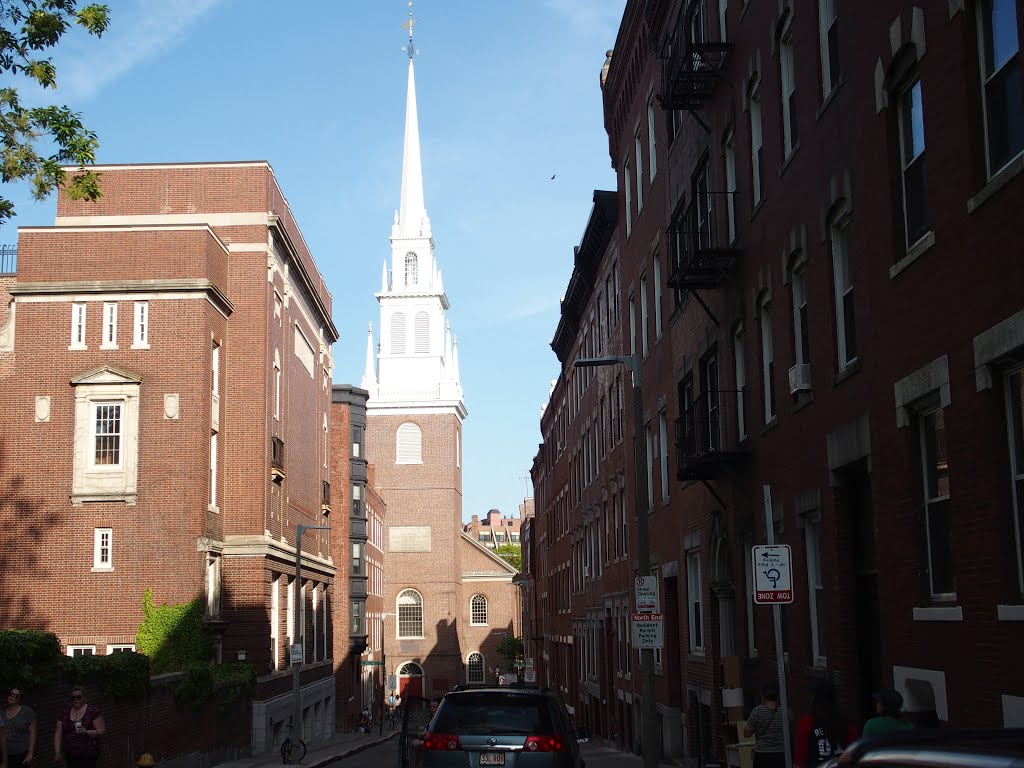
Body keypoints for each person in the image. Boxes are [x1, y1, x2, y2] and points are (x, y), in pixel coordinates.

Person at [794, 681, 858, 768]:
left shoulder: (806, 723)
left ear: (815, 699)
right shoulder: (847, 724)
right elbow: (854, 755)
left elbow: (799, 760)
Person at [54, 687, 105, 768]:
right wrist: (57, 752)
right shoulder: (64, 713)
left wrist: (86, 732)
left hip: (88, 753)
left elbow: (101, 731)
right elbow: (58, 733)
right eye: (73, 698)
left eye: (78, 697)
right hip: (70, 753)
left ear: (84, 697)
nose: (76, 700)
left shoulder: (92, 711)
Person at [744, 682, 787, 768]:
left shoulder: (757, 711)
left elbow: (747, 733)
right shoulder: (785, 711)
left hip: (762, 754)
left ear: (763, 695)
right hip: (782, 754)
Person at [1, 687, 36, 768]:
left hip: (21, 754)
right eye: (11, 694)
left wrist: (30, 753)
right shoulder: (1, 712)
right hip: (4, 754)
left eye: (16, 696)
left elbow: (33, 733)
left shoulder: (27, 712)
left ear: (20, 699)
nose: (12, 696)